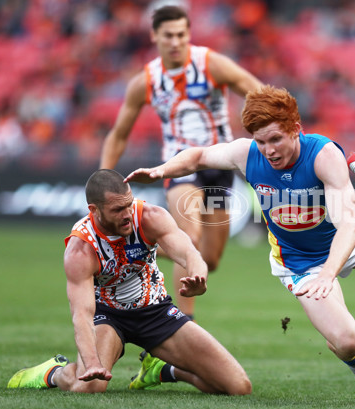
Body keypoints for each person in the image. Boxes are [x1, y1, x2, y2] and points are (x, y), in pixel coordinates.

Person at [125, 85, 355, 395]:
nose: (269, 150)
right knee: (346, 342)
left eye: (276, 139)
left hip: (343, 243)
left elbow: (348, 226)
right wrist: (160, 171)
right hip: (297, 263)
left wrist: (329, 274)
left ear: (296, 129)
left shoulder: (324, 155)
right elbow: (198, 157)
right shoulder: (247, 153)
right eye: (261, 141)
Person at [7, 169, 251, 394]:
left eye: (128, 204)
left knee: (238, 387)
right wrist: (91, 363)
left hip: (156, 312)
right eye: (117, 210)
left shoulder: (150, 217)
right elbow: (81, 315)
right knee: (89, 386)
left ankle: (163, 370)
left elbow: (189, 252)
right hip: (108, 317)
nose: (127, 214)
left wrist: (198, 276)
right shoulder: (81, 249)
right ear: (94, 210)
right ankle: (54, 372)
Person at [99, 5, 263, 321]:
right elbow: (119, 134)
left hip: (219, 166)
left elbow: (256, 90)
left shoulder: (210, 63)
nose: (176, 42)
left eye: (181, 35)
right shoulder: (145, 81)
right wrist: (104, 178)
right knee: (190, 238)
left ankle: (131, 247)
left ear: (188, 34)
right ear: (154, 36)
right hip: (178, 167)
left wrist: (263, 126)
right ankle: (183, 326)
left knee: (209, 260)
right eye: (169, 36)